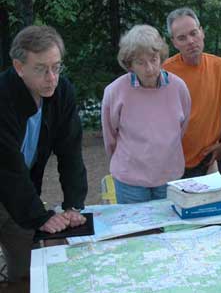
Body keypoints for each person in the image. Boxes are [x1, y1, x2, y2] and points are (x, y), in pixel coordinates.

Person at [0, 25, 87, 285]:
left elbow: (70, 150)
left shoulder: (62, 93)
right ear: (19, 67)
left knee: (28, 271)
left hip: (17, 195)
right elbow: (8, 166)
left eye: (56, 67)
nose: (51, 77)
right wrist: (40, 216)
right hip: (10, 181)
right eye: (41, 69)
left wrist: (73, 204)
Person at [102, 25, 191, 204]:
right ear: (129, 64)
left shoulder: (178, 87)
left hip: (169, 177)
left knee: (170, 230)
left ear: (161, 57)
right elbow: (110, 137)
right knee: (135, 231)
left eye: (153, 59)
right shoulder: (115, 91)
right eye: (140, 62)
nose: (149, 68)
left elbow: (182, 128)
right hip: (129, 180)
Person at [163, 7, 221, 178]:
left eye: (194, 33)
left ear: (202, 32)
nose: (190, 41)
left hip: (209, 159)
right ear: (174, 42)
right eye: (182, 38)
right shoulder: (164, 73)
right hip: (171, 163)